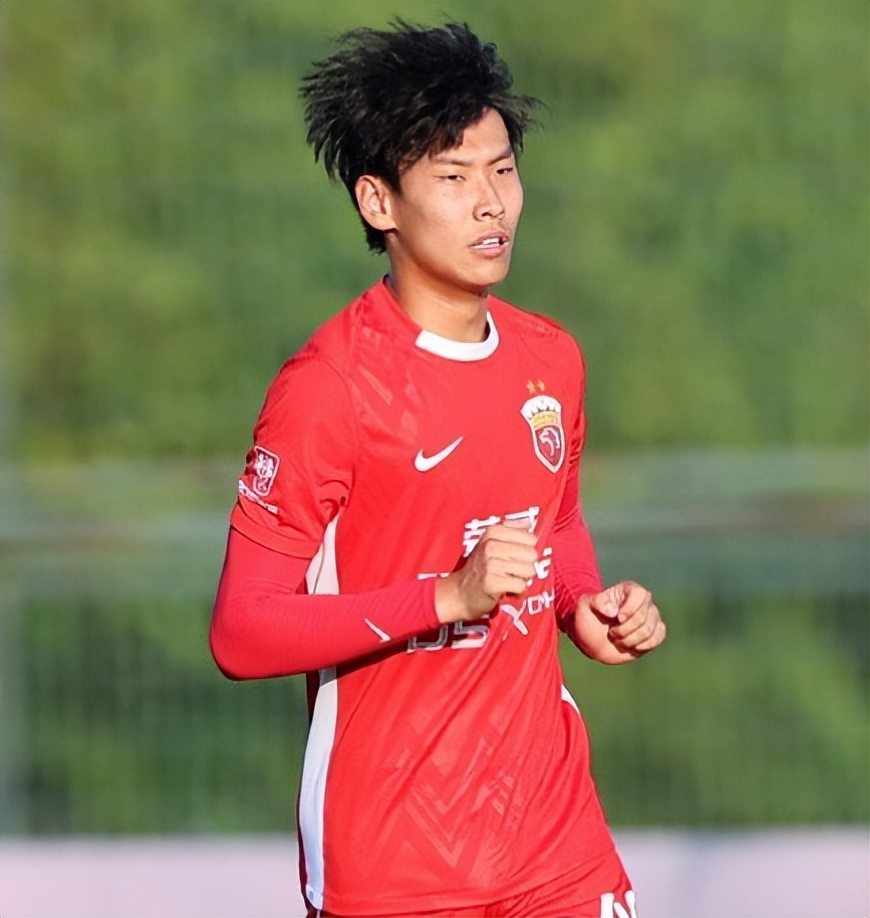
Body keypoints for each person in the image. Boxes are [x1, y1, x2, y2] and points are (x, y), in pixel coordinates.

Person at [209, 19, 665, 918]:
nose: (490, 204)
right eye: (454, 179)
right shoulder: (329, 389)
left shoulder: (551, 358)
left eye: (502, 170)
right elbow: (242, 631)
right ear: (378, 202)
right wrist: (446, 596)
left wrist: (584, 606)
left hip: (555, 844)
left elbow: (557, 523)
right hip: (397, 865)